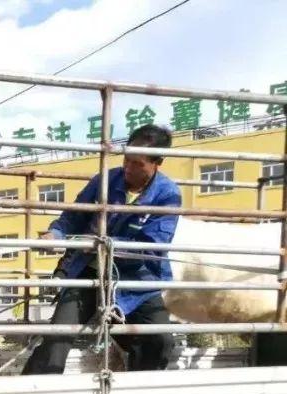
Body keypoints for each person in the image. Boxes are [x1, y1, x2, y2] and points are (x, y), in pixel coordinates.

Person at [22, 124, 181, 375]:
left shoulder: (167, 194)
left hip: (135, 280)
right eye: (126, 160)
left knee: (159, 340)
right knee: (58, 336)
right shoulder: (105, 180)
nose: (128, 168)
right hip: (89, 272)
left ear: (157, 163)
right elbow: (73, 218)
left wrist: (108, 245)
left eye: (137, 164)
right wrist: (57, 233)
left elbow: (153, 246)